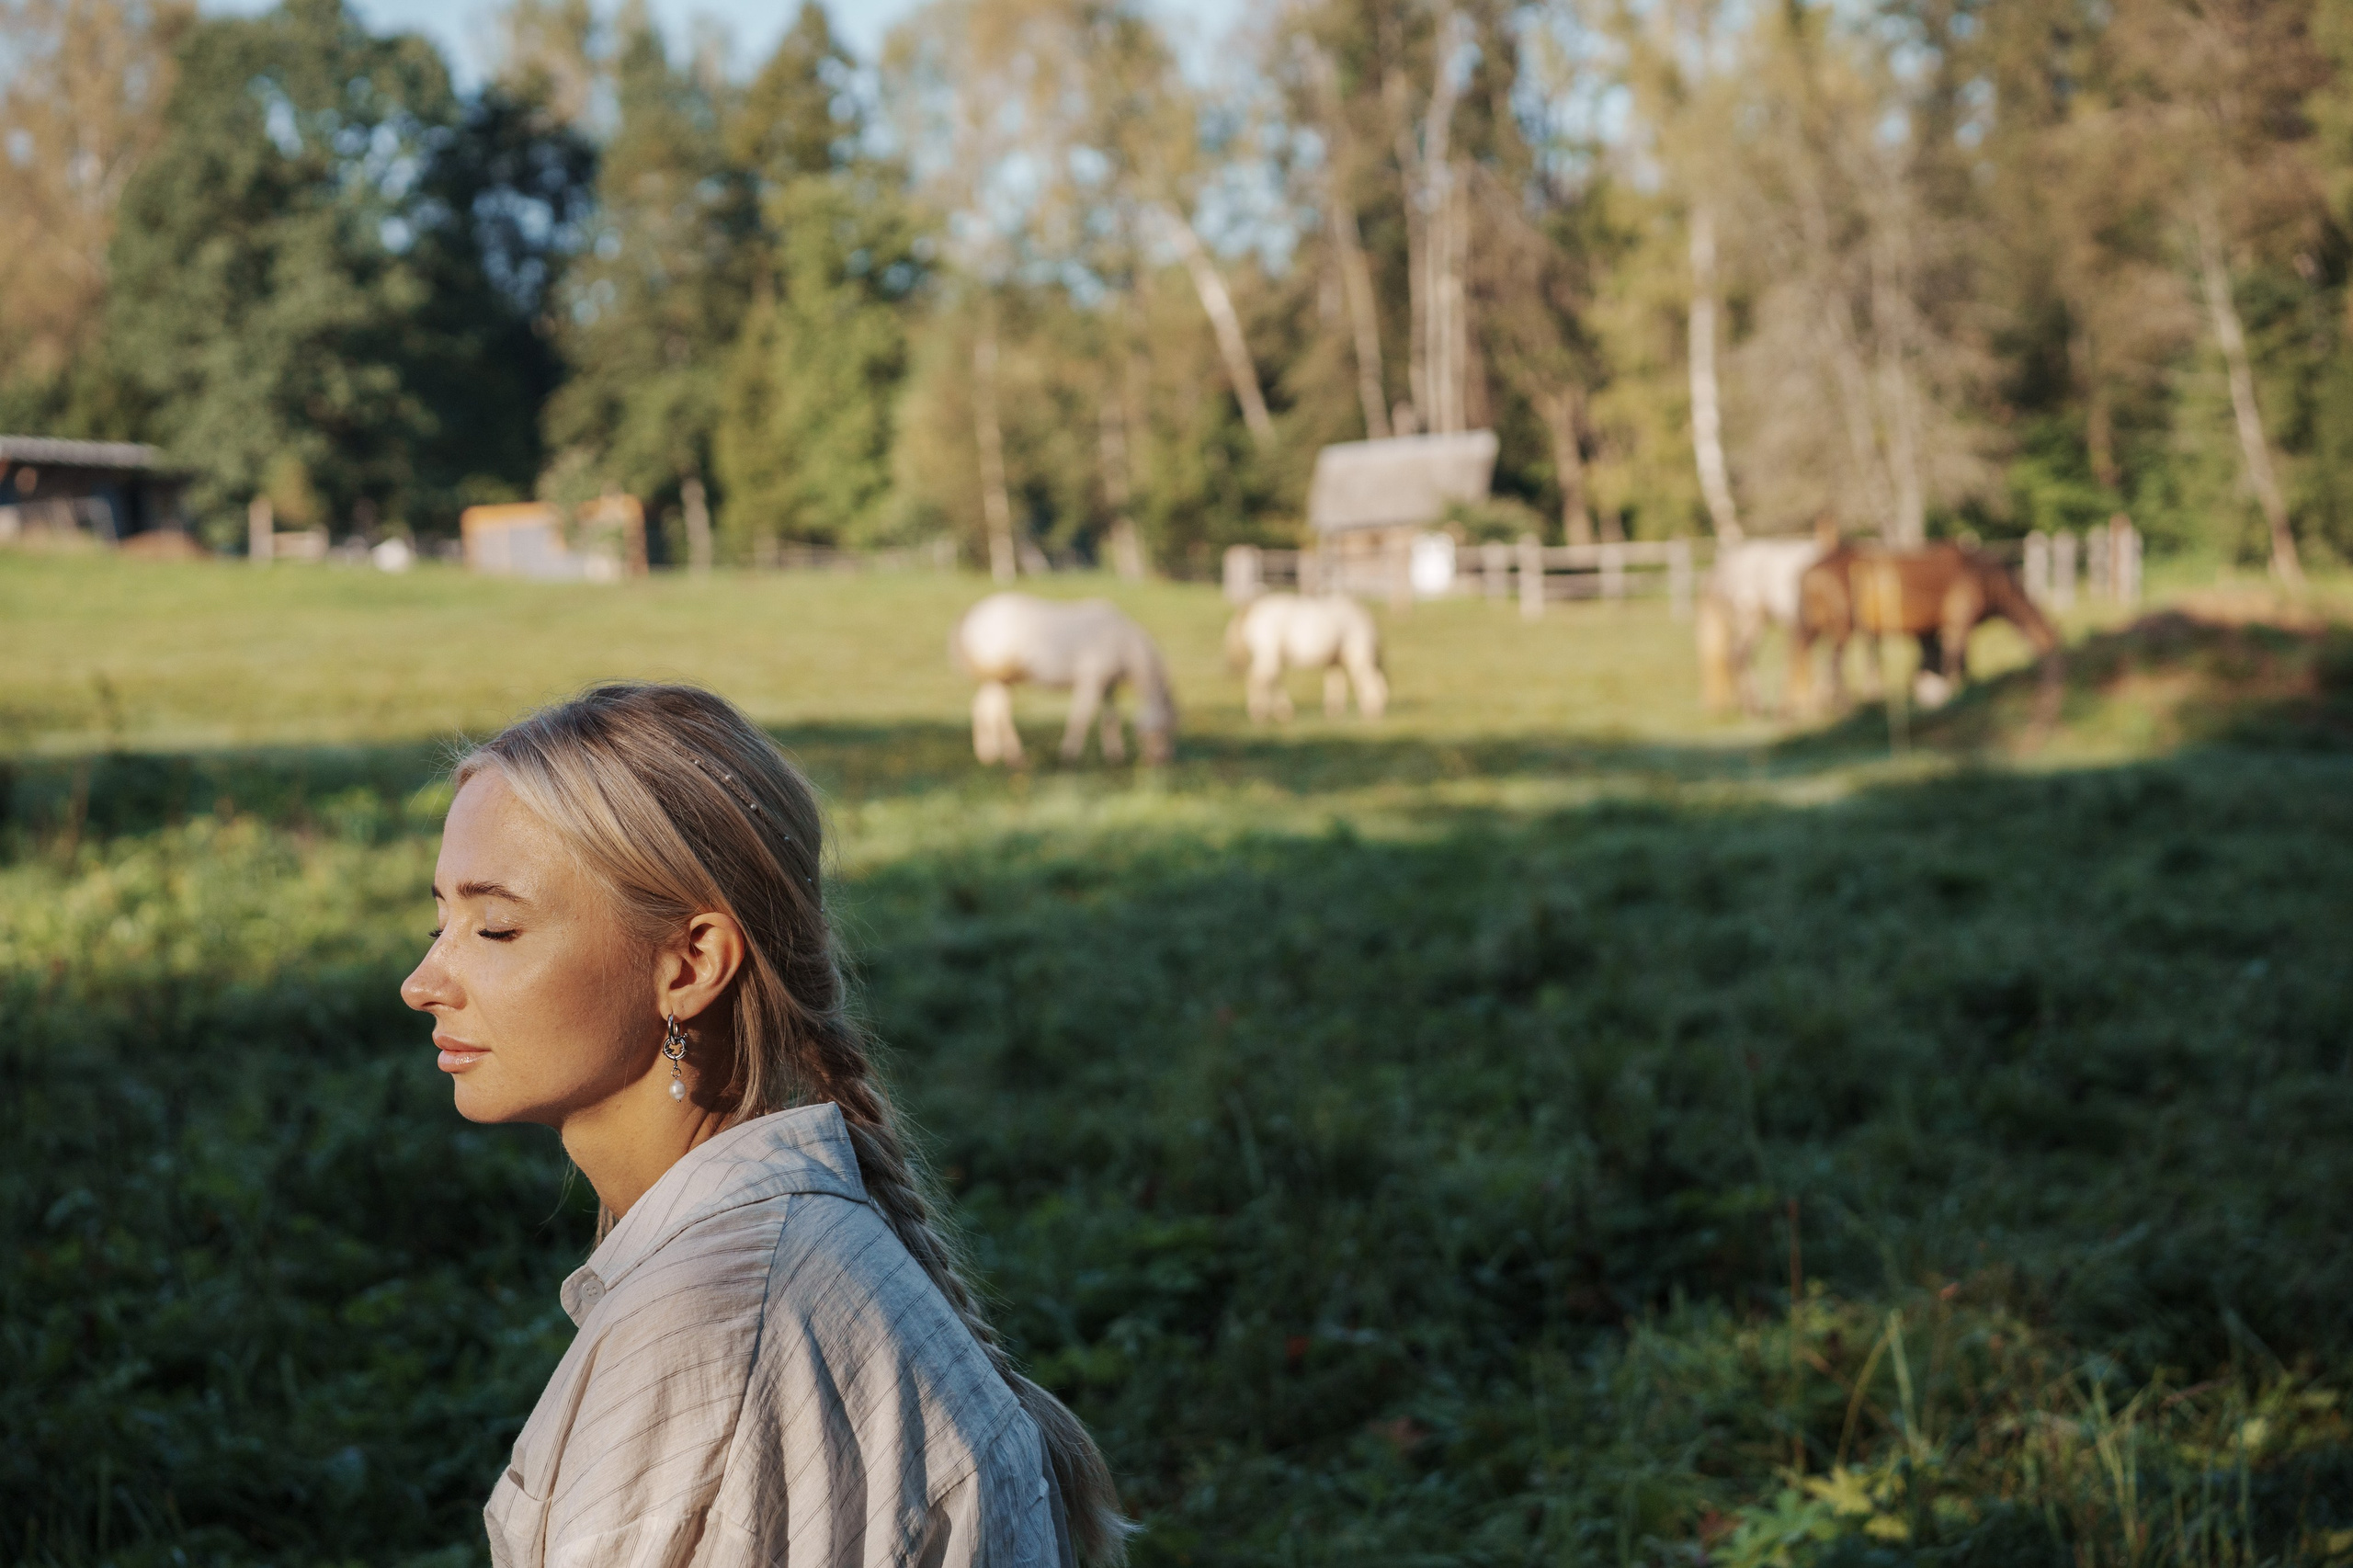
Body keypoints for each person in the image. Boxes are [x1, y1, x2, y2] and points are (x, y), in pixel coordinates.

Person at [399, 682, 1127, 1567]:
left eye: (496, 928)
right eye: (442, 920)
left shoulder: (708, 1328)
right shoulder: (788, 1252)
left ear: (691, 962)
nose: (424, 981)